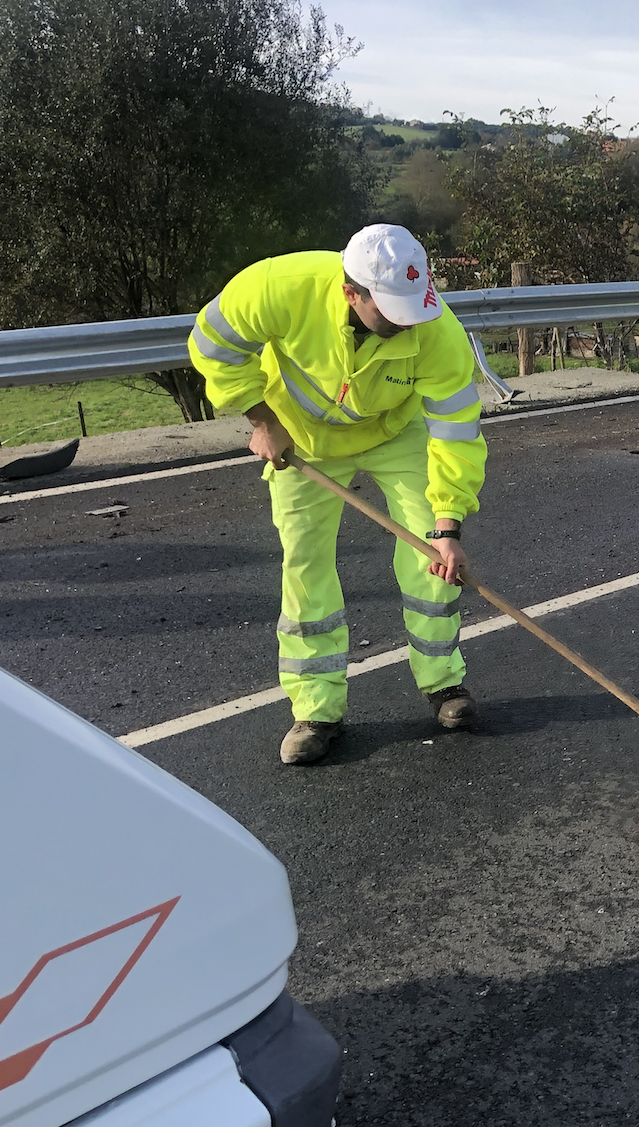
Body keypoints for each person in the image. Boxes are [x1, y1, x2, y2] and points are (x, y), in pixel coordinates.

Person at [187, 225, 488, 765]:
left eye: (415, 309)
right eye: (392, 313)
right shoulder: (280, 285)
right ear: (352, 293)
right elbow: (212, 344)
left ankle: (444, 683)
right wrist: (261, 418)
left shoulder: (437, 331)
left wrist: (448, 525)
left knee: (431, 556)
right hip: (300, 438)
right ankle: (316, 709)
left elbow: (456, 433)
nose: (408, 324)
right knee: (305, 564)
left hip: (395, 432)